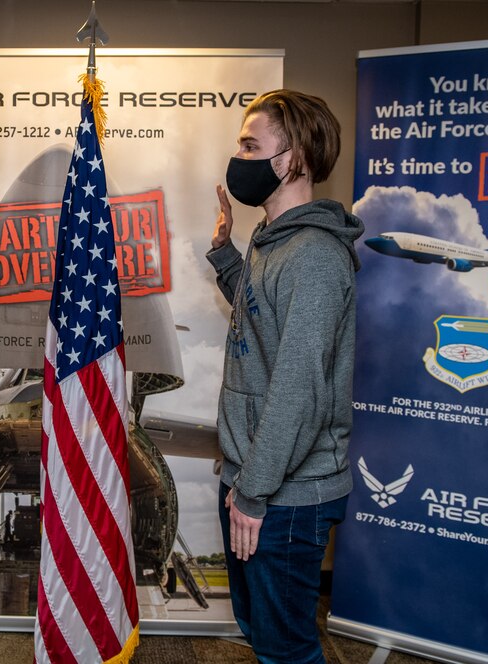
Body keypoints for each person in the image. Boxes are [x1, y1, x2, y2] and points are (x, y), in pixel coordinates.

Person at [207, 89, 363, 663]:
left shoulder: (314, 255)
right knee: (259, 632)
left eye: (251, 146)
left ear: (292, 158)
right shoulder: (272, 240)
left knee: (286, 651)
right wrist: (225, 254)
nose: (238, 157)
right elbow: (261, 317)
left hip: (285, 497)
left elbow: (298, 392)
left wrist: (253, 493)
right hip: (254, 478)